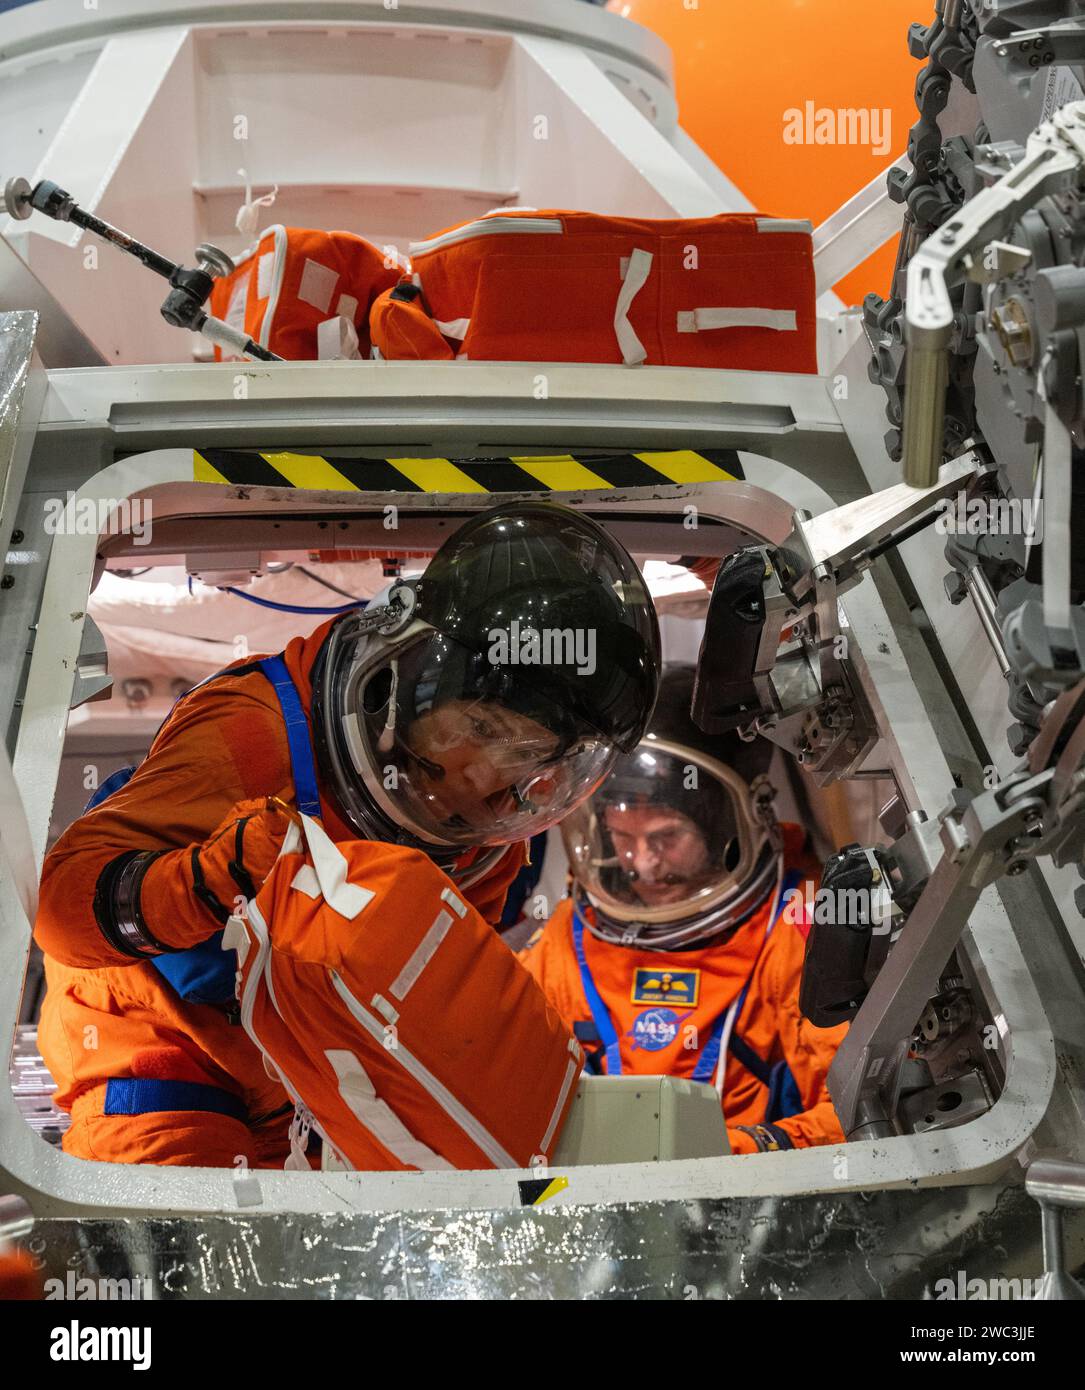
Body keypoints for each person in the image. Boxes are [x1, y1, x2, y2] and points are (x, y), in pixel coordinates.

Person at [35, 502, 660, 1167]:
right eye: (477, 729)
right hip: (155, 1042)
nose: (480, 777)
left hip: (300, 1071)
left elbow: (426, 1004)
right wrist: (207, 881)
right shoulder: (257, 731)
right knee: (183, 1237)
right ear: (420, 677)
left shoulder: (487, 845)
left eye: (520, 755)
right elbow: (61, 917)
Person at [520, 665, 848, 1155]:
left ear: (726, 829)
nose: (644, 865)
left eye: (667, 838)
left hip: (753, 1204)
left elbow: (856, 1111)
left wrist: (730, 1157)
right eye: (622, 838)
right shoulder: (570, 937)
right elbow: (500, 1078)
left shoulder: (799, 926)